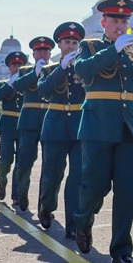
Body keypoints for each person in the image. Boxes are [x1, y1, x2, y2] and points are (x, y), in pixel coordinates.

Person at [72, 0, 133, 263]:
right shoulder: (90, 46)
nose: (120, 25)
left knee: (126, 194)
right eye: (115, 20)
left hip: (131, 128)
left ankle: (122, 251)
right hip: (98, 126)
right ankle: (83, 221)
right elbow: (83, 70)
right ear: (103, 22)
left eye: (125, 21)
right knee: (94, 186)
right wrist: (114, 49)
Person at [35, 21, 85, 239]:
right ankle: (46, 208)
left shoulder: (85, 66)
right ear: (59, 44)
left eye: (75, 42)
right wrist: (62, 67)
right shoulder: (48, 69)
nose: (71, 46)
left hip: (79, 126)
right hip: (55, 126)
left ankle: (73, 223)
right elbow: (44, 92)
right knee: (52, 174)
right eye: (66, 42)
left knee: (77, 177)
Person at [12, 35, 55, 212]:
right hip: (29, 122)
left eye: (45, 50)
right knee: (24, 162)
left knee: (49, 165)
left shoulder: (55, 69)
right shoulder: (25, 71)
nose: (43, 53)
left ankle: (44, 206)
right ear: (33, 53)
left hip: (50, 120)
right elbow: (17, 86)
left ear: (50, 52)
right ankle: (20, 195)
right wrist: (35, 73)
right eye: (39, 50)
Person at [0, 51, 26, 202]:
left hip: (23, 125)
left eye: (19, 64)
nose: (17, 67)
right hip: (7, 125)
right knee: (6, 159)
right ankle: (2, 182)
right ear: (9, 67)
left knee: (21, 161)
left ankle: (16, 195)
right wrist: (11, 82)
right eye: (14, 65)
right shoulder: (3, 84)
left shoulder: (27, 83)